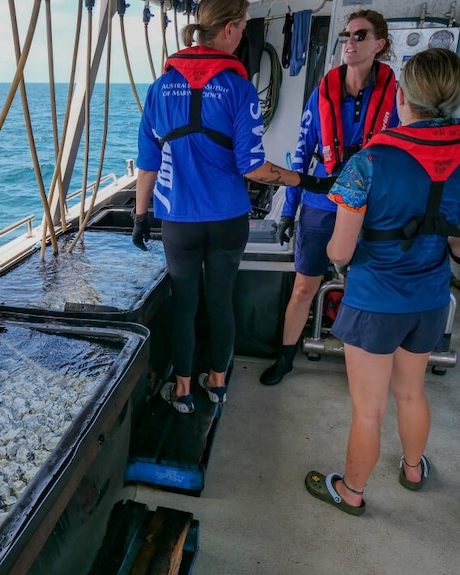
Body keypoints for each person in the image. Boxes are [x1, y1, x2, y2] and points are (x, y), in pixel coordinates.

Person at [131, 0, 333, 414]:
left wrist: (139, 215)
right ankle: (218, 384)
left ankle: (183, 389)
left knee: (185, 303)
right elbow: (254, 167)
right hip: (227, 220)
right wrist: (306, 180)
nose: (242, 34)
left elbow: (148, 163)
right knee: (220, 299)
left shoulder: (158, 87)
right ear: (227, 30)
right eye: (242, 26)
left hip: (179, 221)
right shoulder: (239, 88)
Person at [305, 47, 460, 515]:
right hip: (430, 299)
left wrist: (338, 257)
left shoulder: (369, 161)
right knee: (411, 391)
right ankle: (414, 469)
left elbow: (339, 251)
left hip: (374, 302)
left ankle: (350, 492)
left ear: (403, 96)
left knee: (368, 410)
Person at [260, 9, 399, 386]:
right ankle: (285, 357)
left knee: (365, 289)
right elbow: (301, 155)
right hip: (320, 205)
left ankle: (363, 366)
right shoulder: (323, 92)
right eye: (346, 36)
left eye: (359, 35)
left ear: (379, 44)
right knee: (304, 285)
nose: (349, 42)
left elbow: (403, 157)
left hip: (372, 209)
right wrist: (288, 211)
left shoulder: (397, 97)